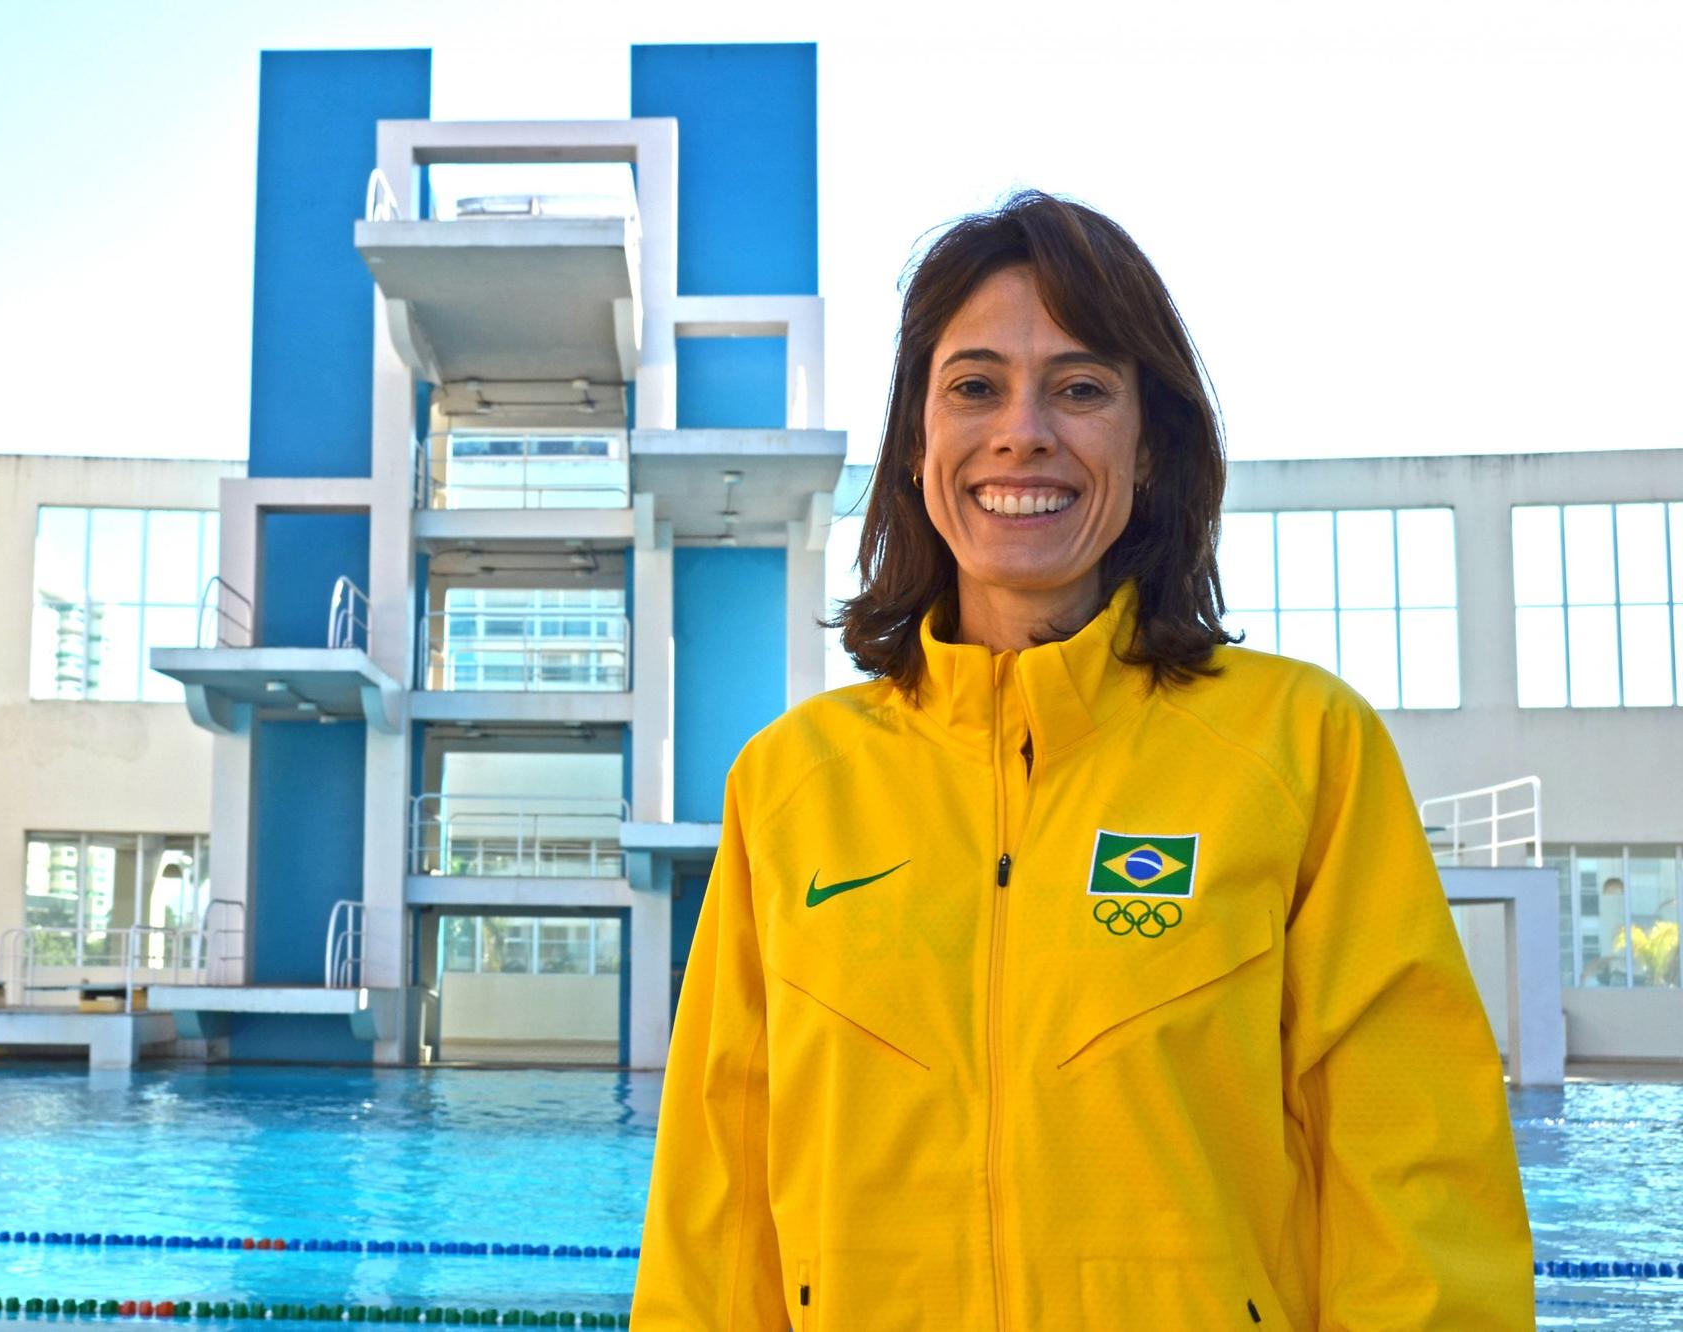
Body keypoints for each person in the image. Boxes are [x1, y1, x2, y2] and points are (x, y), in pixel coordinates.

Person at [630, 191, 1533, 1329]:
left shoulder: (1300, 753)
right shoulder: (791, 786)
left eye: (1081, 388)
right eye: (975, 387)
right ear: (918, 447)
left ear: (1148, 447)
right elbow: (715, 1201)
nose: (1024, 432)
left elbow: (1420, 1187)